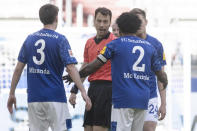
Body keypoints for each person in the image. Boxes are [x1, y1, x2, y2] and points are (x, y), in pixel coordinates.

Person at [65, 12, 168, 131]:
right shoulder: (149, 47)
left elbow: (93, 66)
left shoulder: (114, 45)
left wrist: (76, 75)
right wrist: (164, 80)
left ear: (120, 28)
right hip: (143, 99)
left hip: (122, 99)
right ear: (136, 27)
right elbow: (161, 75)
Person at [7, 4, 91, 131]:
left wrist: (12, 93)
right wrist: (83, 91)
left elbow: (18, 69)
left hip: (34, 98)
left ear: (41, 18)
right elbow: (71, 68)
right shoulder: (60, 39)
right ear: (56, 18)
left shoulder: (29, 39)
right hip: (56, 97)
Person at [65, 7, 116, 131]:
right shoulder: (89, 42)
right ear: (94, 21)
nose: (102, 25)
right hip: (92, 89)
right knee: (87, 128)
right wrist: (74, 90)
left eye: (105, 21)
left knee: (99, 128)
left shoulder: (114, 41)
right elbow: (86, 68)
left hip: (107, 90)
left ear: (110, 23)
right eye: (99, 21)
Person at [130, 8, 167, 131]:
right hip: (131, 95)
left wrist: (163, 103)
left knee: (149, 129)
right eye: (135, 21)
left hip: (150, 96)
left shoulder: (156, 44)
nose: (138, 24)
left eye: (140, 21)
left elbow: (161, 76)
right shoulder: (127, 43)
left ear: (146, 21)